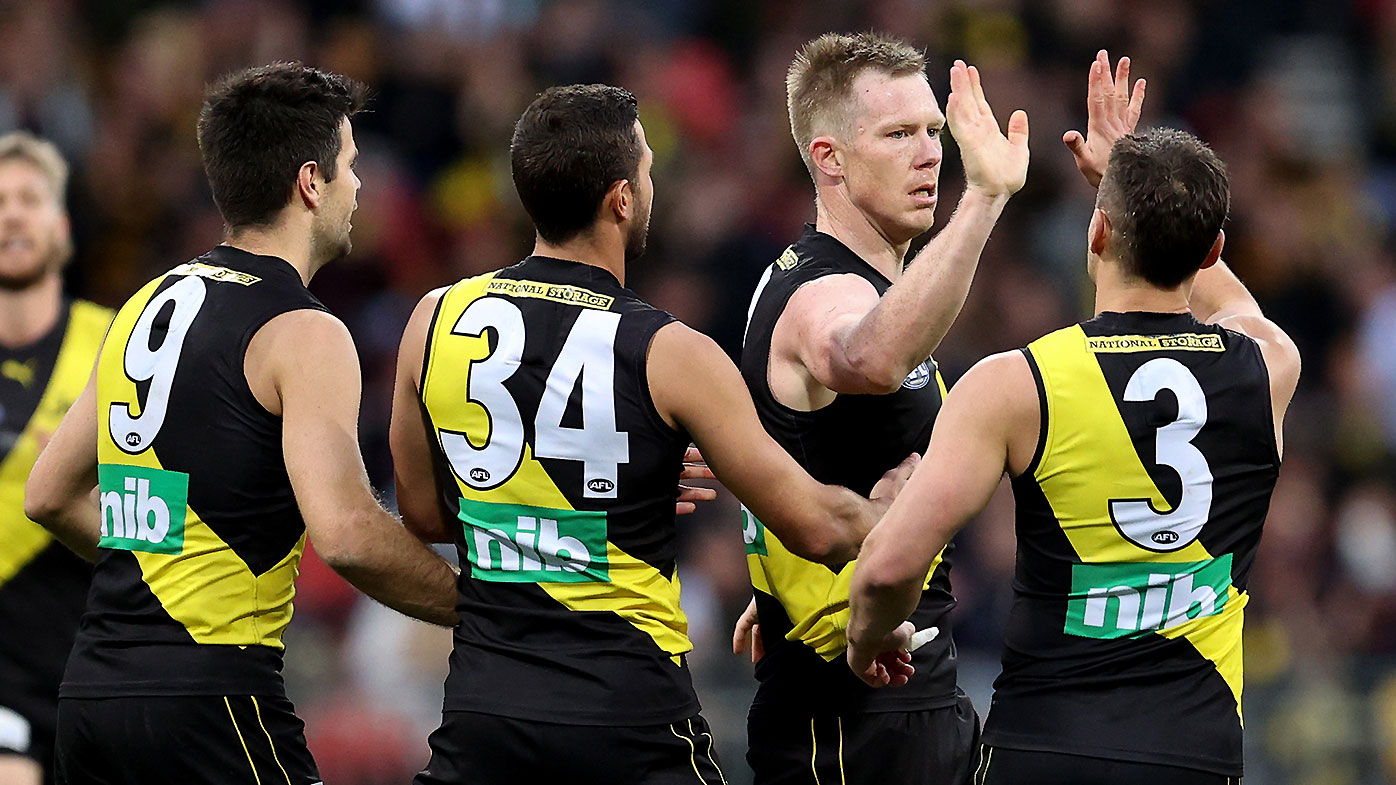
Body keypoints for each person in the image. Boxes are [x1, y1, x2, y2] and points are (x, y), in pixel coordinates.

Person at [388, 83, 917, 785]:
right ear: (621, 199)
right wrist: (898, 506)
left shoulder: (434, 317)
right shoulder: (672, 352)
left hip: (484, 717)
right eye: (647, 168)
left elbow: (424, 514)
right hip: (629, 719)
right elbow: (815, 526)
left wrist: (580, 501)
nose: (652, 183)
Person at [846, 64, 1301, 785]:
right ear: (1212, 249)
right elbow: (1237, 304)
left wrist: (866, 639)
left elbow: (890, 565)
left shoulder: (1016, 382)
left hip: (1045, 747)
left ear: (1096, 233)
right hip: (1195, 752)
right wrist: (1128, 187)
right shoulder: (1269, 366)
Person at [25, 62, 460, 785]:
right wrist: (489, 613)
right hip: (210, 699)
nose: (360, 188)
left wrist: (163, 563)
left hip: (92, 695)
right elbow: (348, 532)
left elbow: (50, 493)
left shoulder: (145, 302)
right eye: (351, 166)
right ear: (311, 182)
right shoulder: (303, 330)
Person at [732, 32, 1027, 785]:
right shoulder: (822, 292)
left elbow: (802, 451)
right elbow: (867, 357)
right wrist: (986, 197)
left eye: (933, 131)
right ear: (829, 157)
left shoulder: (843, 280)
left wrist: (781, 587)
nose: (929, 153)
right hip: (856, 716)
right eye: (898, 135)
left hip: (897, 696)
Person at [0, 132, 112, 785]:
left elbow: (174, 499)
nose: (12, 214)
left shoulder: (119, 342)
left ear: (61, 224)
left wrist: (88, 489)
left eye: (29, 198)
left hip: (95, 665)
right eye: (0, 200)